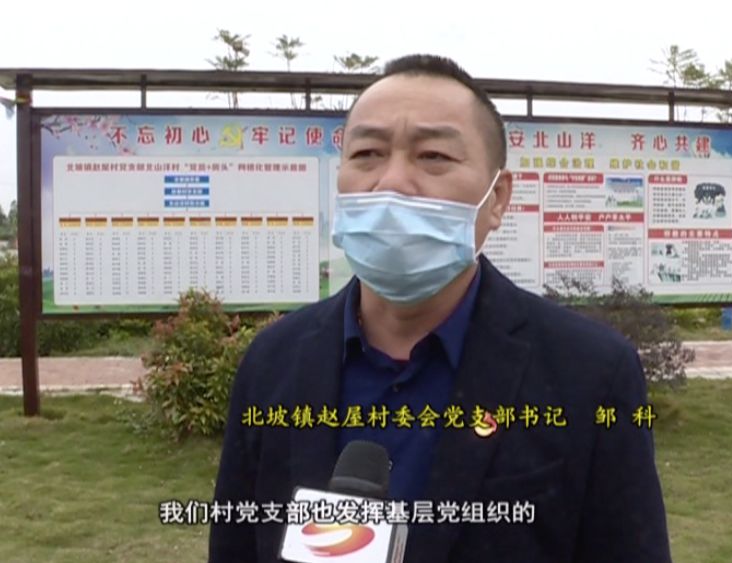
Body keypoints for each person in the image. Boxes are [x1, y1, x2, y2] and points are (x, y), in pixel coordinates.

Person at [209, 54, 671, 562]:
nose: (391, 182)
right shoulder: (273, 361)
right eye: (367, 153)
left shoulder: (591, 372)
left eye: (432, 156)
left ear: (497, 198)